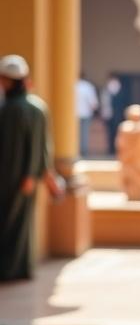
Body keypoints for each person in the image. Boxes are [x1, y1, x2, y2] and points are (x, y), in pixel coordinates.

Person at [0, 55, 65, 280]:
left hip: (18, 178)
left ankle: (12, 270)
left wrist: (31, 174)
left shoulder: (28, 108)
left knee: (16, 224)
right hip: (14, 177)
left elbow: (39, 146)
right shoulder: (12, 107)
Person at [75, 72, 99, 157]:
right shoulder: (88, 87)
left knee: (74, 133)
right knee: (84, 133)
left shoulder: (72, 85)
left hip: (73, 114)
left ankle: (74, 150)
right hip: (86, 113)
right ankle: (84, 151)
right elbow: (94, 103)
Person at [100, 72, 123, 154]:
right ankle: (112, 149)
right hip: (111, 114)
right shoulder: (107, 89)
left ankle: (115, 149)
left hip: (115, 114)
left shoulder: (114, 88)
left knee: (115, 133)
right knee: (111, 133)